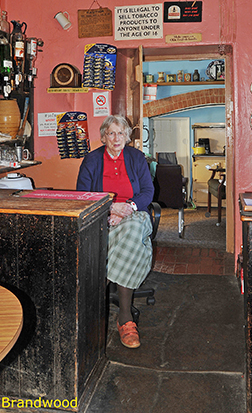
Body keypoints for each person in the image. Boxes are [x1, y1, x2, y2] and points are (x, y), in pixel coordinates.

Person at [76, 115, 154, 349]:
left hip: (134, 213)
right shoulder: (91, 160)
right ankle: (116, 309)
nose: (116, 138)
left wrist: (127, 208)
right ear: (103, 137)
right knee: (101, 239)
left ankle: (125, 315)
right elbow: (82, 194)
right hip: (101, 214)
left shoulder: (136, 158)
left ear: (127, 137)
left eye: (121, 133)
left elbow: (148, 192)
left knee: (130, 234)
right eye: (111, 133)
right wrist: (108, 208)